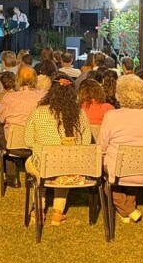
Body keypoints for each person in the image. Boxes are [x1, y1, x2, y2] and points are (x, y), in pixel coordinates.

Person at [24, 74, 92, 226]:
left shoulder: (38, 111)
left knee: (34, 167)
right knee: (64, 166)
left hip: (43, 162)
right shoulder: (79, 113)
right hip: (68, 164)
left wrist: (39, 149)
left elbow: (28, 140)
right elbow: (86, 141)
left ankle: (38, 210)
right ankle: (58, 213)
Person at [99, 74, 143, 223]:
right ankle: (129, 207)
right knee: (135, 163)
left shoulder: (111, 116)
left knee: (102, 171)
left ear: (119, 94)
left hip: (122, 169)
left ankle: (126, 209)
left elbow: (101, 146)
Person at [0, 66, 46, 187]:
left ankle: (12, 176)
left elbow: (1, 117)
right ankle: (32, 173)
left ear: (17, 79)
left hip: (14, 143)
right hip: (37, 142)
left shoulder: (9, 97)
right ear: (35, 79)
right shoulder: (44, 96)